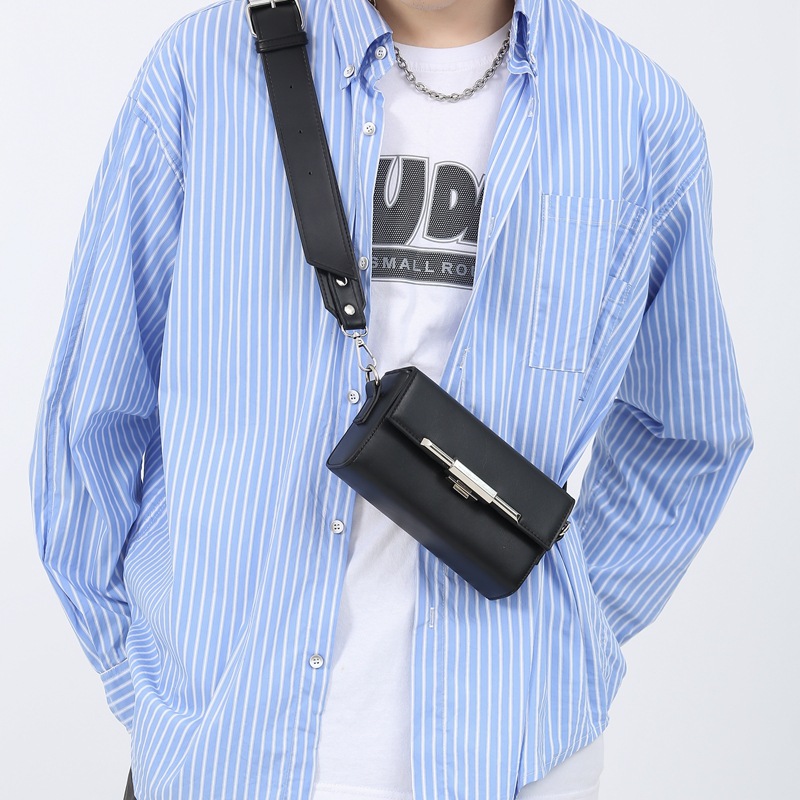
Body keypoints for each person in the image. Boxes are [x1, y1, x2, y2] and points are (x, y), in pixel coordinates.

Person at [29, 0, 753, 798]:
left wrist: (557, 637)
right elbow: (90, 413)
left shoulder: (636, 114)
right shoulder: (201, 71)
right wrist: (146, 682)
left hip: (514, 763)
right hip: (222, 754)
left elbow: (689, 433)